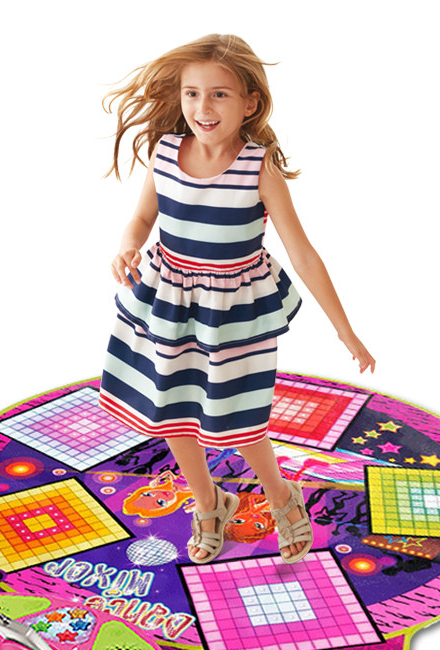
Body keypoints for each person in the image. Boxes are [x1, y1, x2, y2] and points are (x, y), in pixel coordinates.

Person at [99, 34, 375, 566]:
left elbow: (303, 253)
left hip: (233, 314)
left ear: (250, 103)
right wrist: (127, 246)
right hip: (167, 303)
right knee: (171, 412)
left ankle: (281, 494)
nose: (203, 107)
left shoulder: (258, 167)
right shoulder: (164, 154)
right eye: (193, 94)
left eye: (220, 94)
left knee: (238, 418)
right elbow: (142, 217)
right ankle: (210, 504)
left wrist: (345, 330)